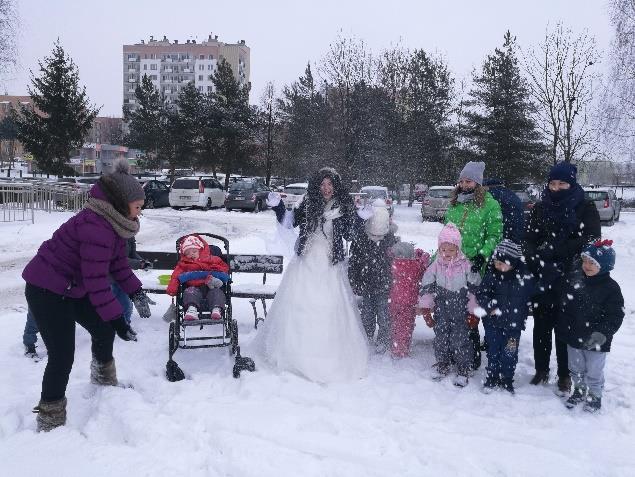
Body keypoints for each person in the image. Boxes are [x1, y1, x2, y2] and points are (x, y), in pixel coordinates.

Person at [23, 159, 154, 432]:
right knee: (62, 355)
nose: (140, 212)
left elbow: (118, 265)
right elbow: (97, 282)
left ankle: (104, 381)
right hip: (47, 290)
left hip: (71, 288)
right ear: (121, 203)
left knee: (102, 330)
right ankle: (50, 416)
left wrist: (136, 291)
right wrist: (118, 319)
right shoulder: (95, 227)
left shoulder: (114, 223)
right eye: (138, 206)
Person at [259, 167, 369, 383]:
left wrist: (359, 219)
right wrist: (278, 206)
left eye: (330, 184)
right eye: (323, 184)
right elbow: (289, 222)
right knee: (301, 307)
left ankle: (330, 356)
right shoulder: (308, 203)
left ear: (335, 186)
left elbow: (350, 234)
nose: (326, 188)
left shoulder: (342, 206)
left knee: (329, 308)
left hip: (330, 264)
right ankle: (295, 355)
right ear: (317, 186)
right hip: (306, 261)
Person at [525, 161, 600, 395]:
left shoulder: (585, 207)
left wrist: (560, 251)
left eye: (562, 183)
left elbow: (591, 238)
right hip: (543, 275)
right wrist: (536, 258)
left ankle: (565, 374)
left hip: (571, 275)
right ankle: (541, 369)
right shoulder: (540, 207)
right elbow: (528, 238)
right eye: (553, 183)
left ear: (571, 183)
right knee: (542, 326)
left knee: (565, 327)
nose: (556, 188)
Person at [445, 161, 503, 370]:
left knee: (469, 312)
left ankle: (471, 353)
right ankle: (452, 350)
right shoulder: (455, 204)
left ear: (477, 183)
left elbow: (495, 235)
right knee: (451, 310)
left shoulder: (490, 205)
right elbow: (446, 235)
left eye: (468, 180)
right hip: (451, 266)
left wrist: (482, 255)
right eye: (461, 180)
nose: (463, 184)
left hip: (473, 267)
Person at [557, 240, 624, 412]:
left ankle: (595, 394)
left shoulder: (611, 288)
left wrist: (602, 333)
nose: (586, 265)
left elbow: (615, 315)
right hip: (574, 336)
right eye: (585, 260)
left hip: (597, 340)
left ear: (605, 265)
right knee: (575, 367)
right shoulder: (576, 281)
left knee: (594, 370)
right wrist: (564, 328)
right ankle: (579, 390)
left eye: (592, 263)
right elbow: (565, 307)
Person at [416, 223, 481, 387]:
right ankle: (443, 364)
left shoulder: (466, 265)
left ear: (458, 249)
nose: (446, 254)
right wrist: (426, 310)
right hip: (442, 309)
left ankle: (463, 368)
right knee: (441, 338)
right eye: (443, 250)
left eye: (451, 250)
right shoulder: (435, 266)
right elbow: (427, 287)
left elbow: (475, 289)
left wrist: (473, 312)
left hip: (460, 310)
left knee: (460, 340)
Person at [474, 239, 535, 394]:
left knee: (509, 354)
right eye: (496, 262)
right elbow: (481, 293)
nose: (498, 266)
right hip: (493, 324)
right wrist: (490, 307)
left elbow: (531, 295)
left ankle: (507, 379)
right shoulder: (491, 276)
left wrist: (529, 306)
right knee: (493, 352)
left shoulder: (524, 277)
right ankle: (491, 377)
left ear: (513, 263)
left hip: (513, 326)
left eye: (503, 263)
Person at [348, 199, 398, 354]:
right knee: (367, 314)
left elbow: (395, 265)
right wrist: (354, 280)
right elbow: (354, 263)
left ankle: (383, 339)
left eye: (379, 235)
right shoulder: (360, 242)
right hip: (366, 285)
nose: (376, 238)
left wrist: (393, 280)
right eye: (373, 235)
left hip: (384, 286)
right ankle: (366, 336)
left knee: (384, 315)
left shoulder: (390, 241)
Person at [166, 234, 230, 321]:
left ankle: (216, 309)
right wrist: (172, 288)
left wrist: (215, 269)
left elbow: (224, 268)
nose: (191, 254)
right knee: (190, 293)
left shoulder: (211, 259)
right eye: (187, 253)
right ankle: (192, 309)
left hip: (211, 286)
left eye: (194, 252)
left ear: (200, 250)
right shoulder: (183, 264)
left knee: (217, 293)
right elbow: (175, 276)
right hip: (193, 287)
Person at [389, 241, 429, 358]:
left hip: (394, 300)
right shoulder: (414, 266)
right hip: (408, 302)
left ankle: (394, 344)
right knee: (406, 326)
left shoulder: (393, 264)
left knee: (395, 324)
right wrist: (422, 256)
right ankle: (401, 349)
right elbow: (423, 267)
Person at [482, 178, 525, 243]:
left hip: (501, 236)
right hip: (516, 235)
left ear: (487, 186)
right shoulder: (511, 194)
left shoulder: (491, 196)